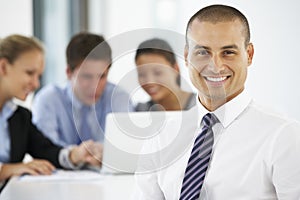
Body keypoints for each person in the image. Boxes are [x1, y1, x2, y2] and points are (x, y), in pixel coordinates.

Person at [133, 4, 300, 199]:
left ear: (249, 55)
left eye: (228, 52)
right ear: (187, 57)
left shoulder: (284, 137)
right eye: (203, 52)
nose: (215, 66)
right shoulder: (160, 137)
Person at [0, 34, 102, 185]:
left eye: (39, 76)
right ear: (3, 67)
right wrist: (6, 169)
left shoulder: (19, 117)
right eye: (29, 73)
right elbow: (11, 169)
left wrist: (75, 155)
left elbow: (46, 150)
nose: (36, 84)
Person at [32, 32, 134, 147]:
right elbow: (45, 149)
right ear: (69, 73)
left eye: (102, 76)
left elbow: (125, 145)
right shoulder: (48, 100)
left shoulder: (119, 98)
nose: (95, 86)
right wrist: (77, 155)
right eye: (87, 76)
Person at [135, 38, 196, 111]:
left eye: (157, 73)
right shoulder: (141, 110)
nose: (149, 81)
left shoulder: (201, 106)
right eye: (142, 74)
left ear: (175, 69)